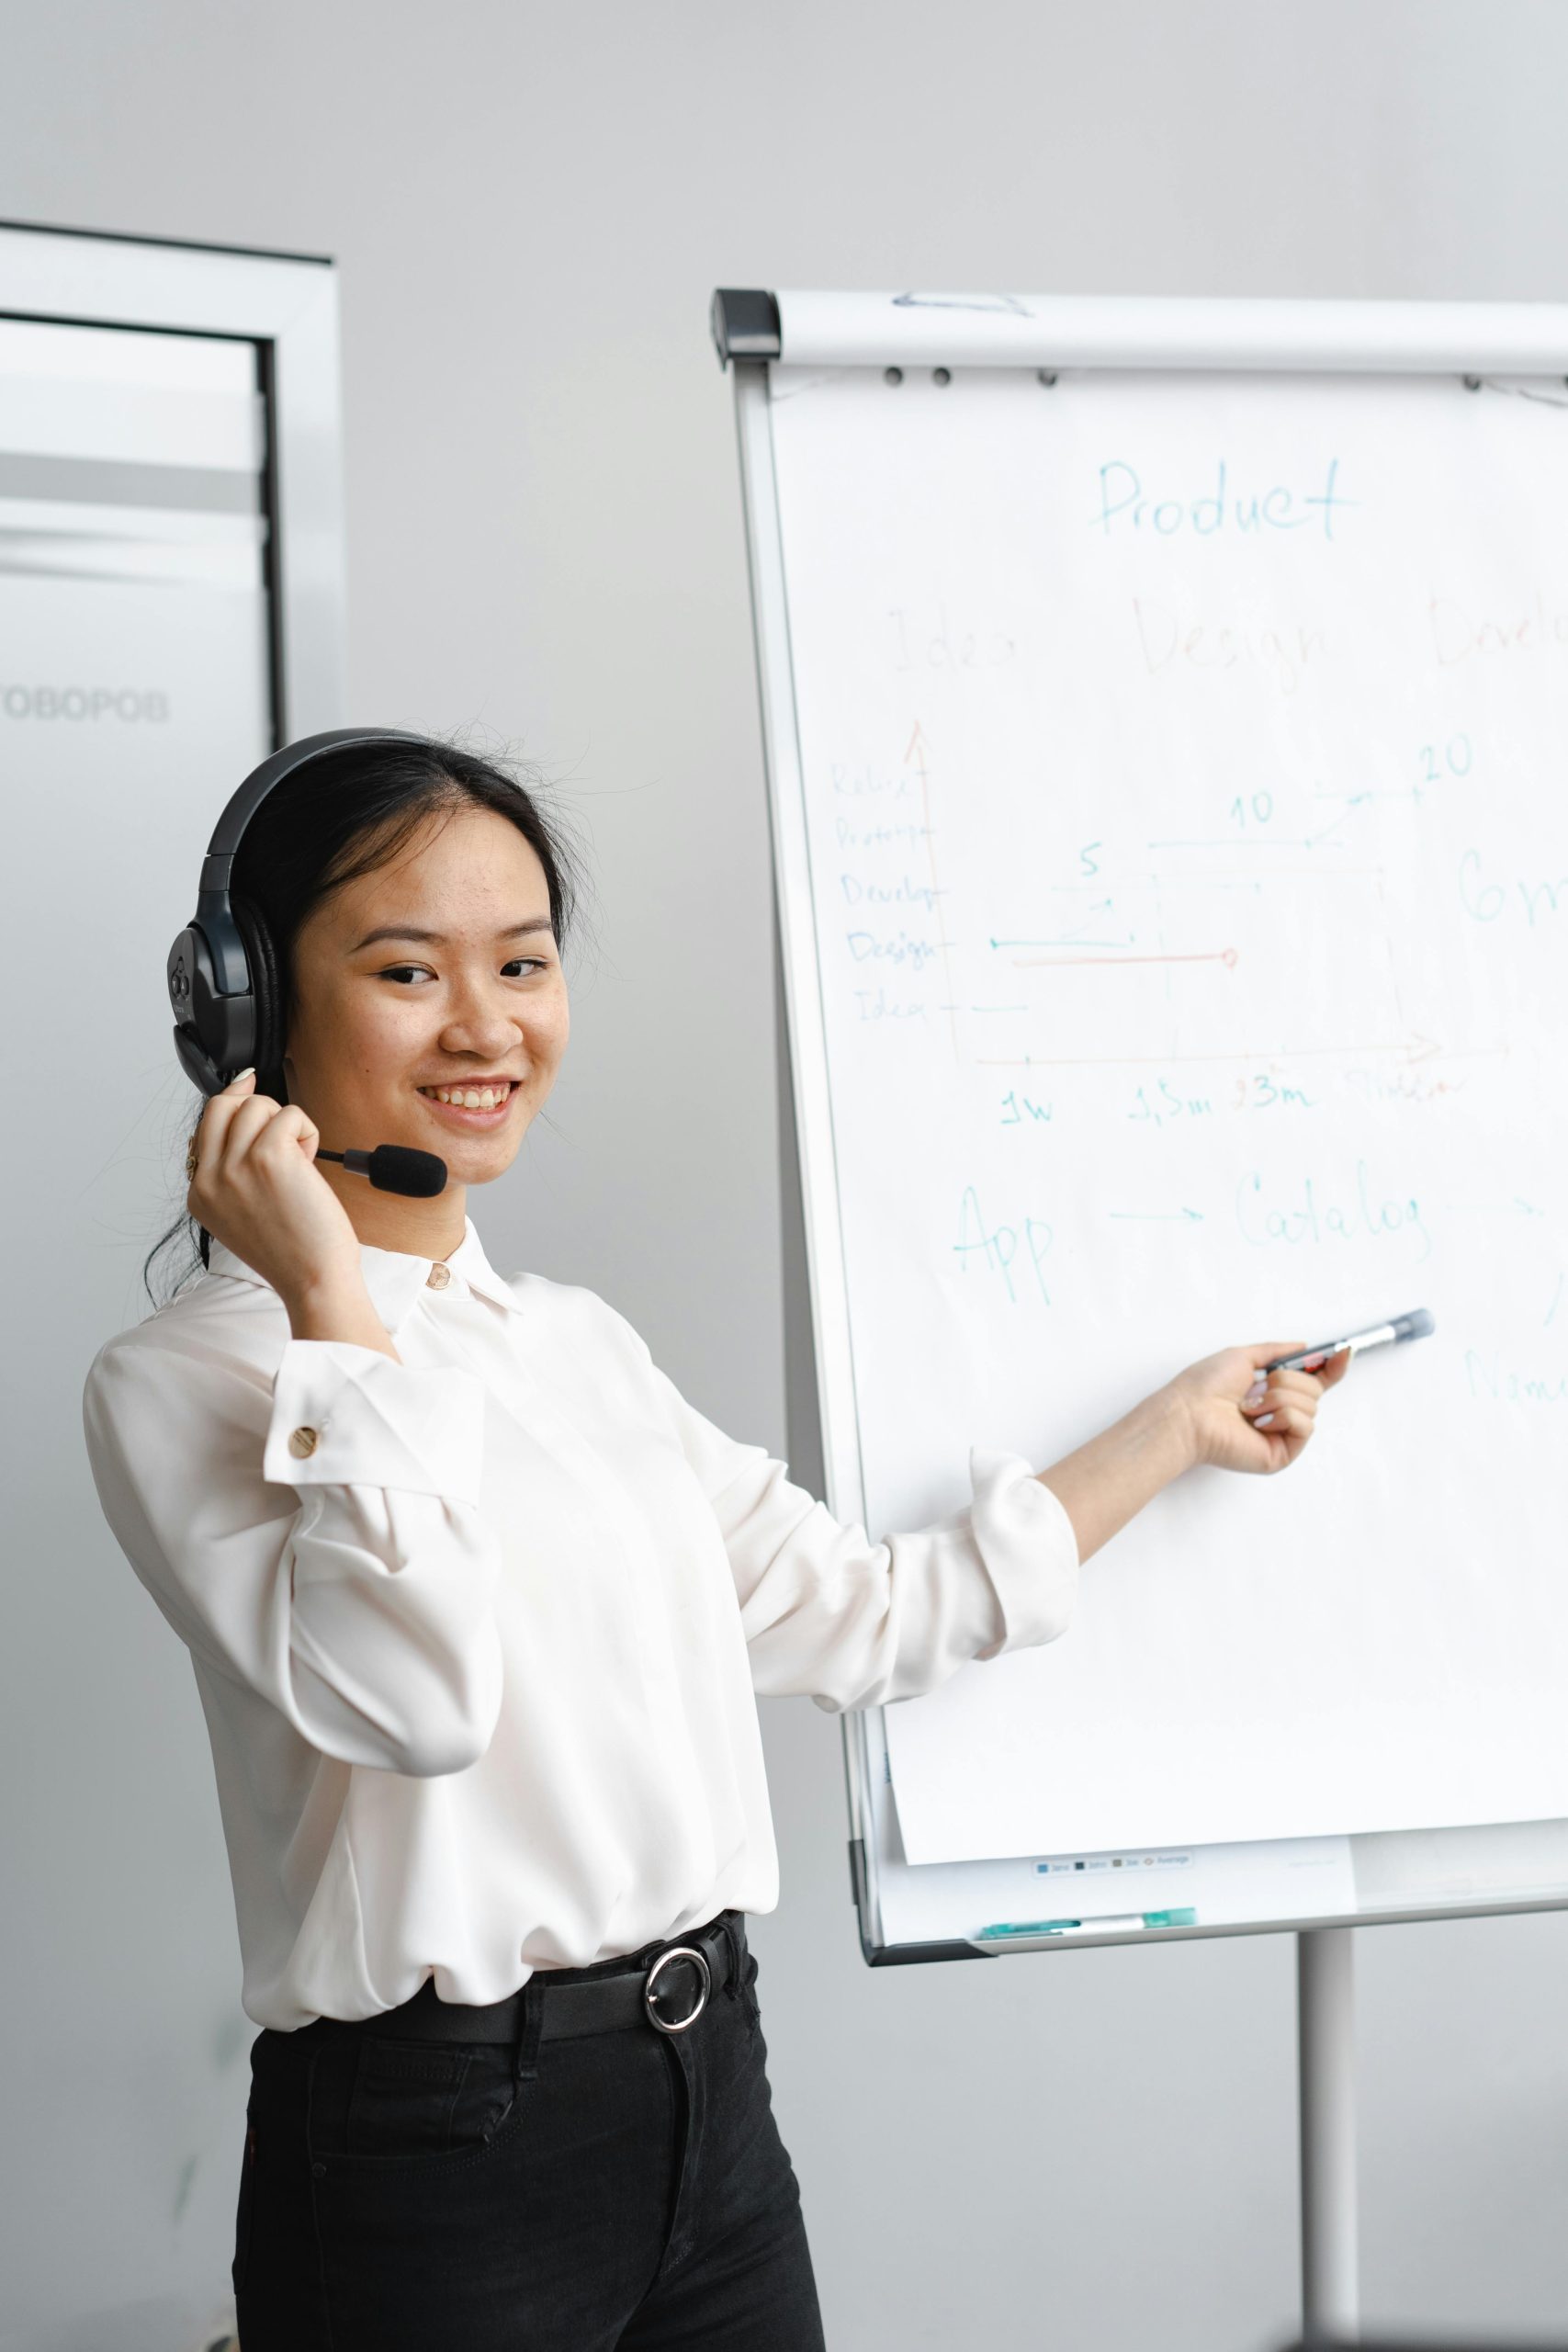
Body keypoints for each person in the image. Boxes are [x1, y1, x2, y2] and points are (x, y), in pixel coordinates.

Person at [81, 734, 1349, 2351]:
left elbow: (872, 1615)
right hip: (427, 2147)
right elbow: (416, 1702)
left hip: (709, 2097)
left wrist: (1173, 1428)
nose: (487, 1027)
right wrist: (334, 1298)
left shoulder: (576, 1347)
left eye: (524, 964)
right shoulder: (188, 1381)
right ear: (247, 1010)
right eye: (409, 969)